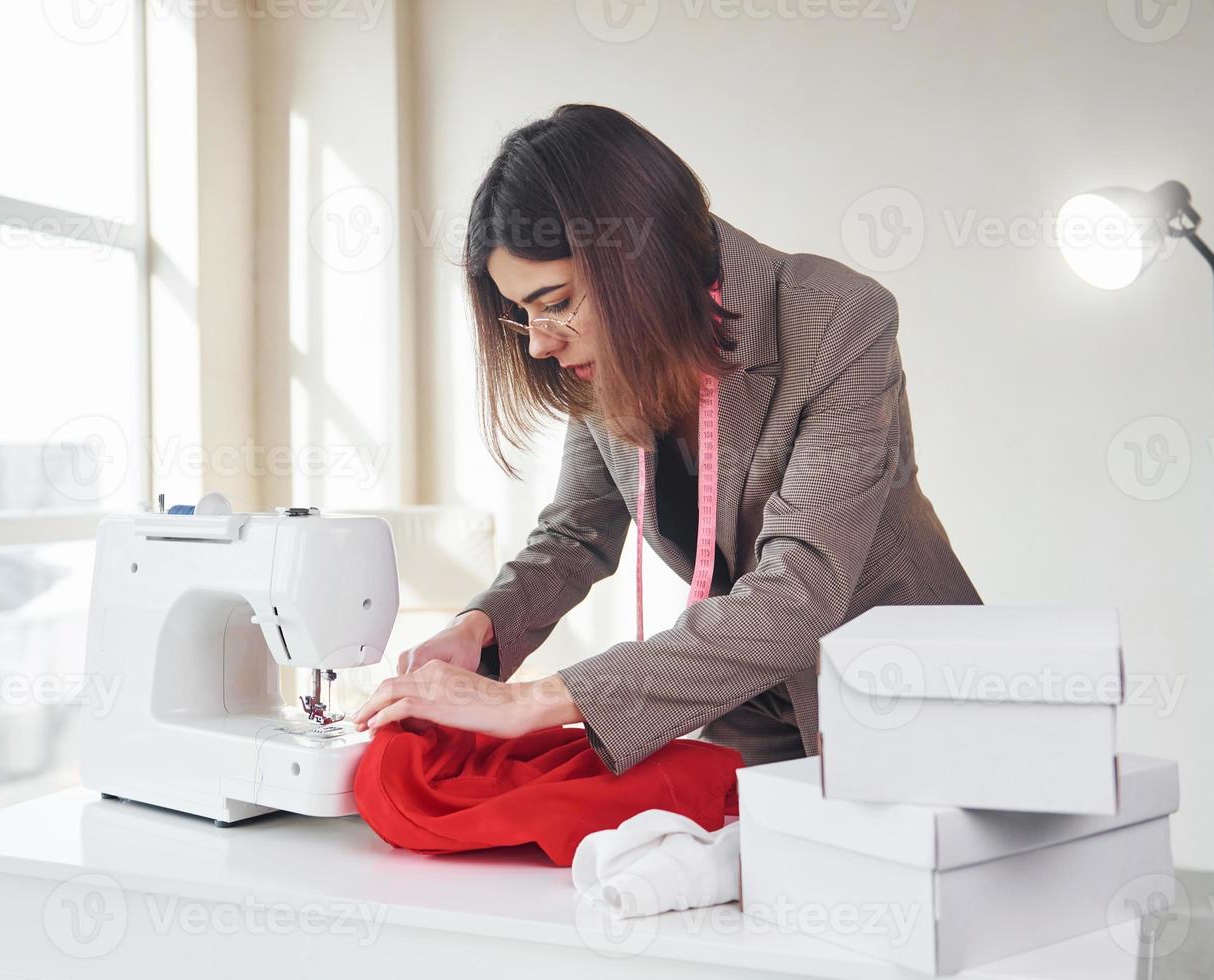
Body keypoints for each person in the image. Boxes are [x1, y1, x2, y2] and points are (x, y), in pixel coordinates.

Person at [353, 104, 980, 774]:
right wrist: (477, 632)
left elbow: (799, 595)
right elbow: (574, 538)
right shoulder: (607, 353)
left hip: (902, 694)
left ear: (638, 261)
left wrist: (531, 702)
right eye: (522, 314)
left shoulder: (838, 319)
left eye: (557, 302)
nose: (538, 343)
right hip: (745, 707)